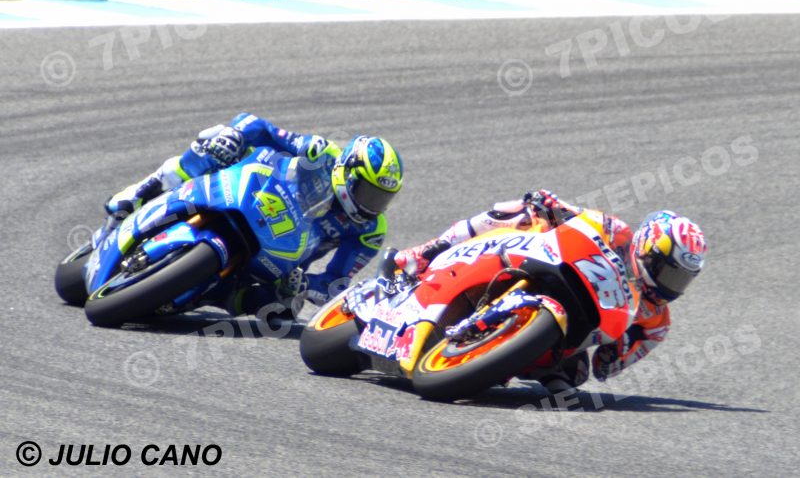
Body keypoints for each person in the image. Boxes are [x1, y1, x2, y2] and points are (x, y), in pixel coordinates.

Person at [394, 189, 707, 394]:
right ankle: (427, 252)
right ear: (647, 250)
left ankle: (494, 357)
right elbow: (578, 218)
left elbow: (606, 367)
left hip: (576, 328)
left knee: (575, 376)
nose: (670, 285)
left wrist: (619, 346)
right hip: (554, 267)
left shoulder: (656, 323)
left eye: (681, 279)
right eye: (669, 272)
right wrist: (553, 205)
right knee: (523, 212)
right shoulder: (618, 232)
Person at [104, 112, 404, 315]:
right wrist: (234, 135)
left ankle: (210, 296)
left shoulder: (370, 232)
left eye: (382, 198)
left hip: (280, 260)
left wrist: (306, 286)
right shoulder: (320, 152)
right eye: (368, 192)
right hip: (255, 199)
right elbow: (258, 126)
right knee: (210, 142)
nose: (371, 205)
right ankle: (139, 193)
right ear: (347, 172)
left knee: (285, 309)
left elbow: (336, 284)